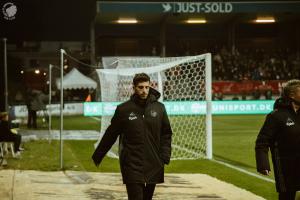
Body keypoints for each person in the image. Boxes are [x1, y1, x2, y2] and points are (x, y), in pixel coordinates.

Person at [92, 73, 173, 200]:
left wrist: (164, 156)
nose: (144, 91)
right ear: (134, 88)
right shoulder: (123, 109)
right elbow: (111, 133)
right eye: (140, 87)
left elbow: (166, 133)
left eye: (147, 87)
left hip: (154, 163)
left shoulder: (159, 108)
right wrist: (98, 155)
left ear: (150, 86)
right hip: (131, 164)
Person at [255, 79, 300, 200]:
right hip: (286, 165)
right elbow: (262, 142)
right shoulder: (276, 116)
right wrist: (263, 164)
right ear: (292, 95)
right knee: (287, 196)